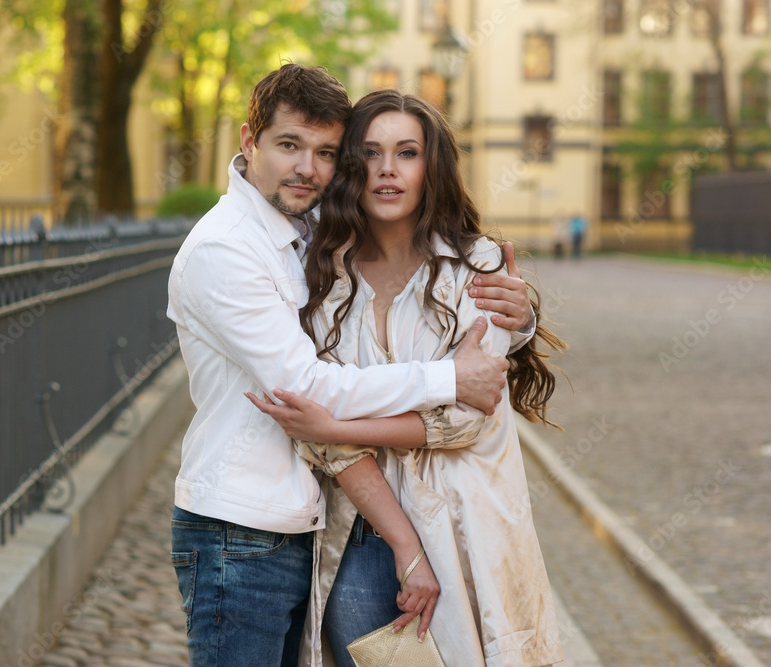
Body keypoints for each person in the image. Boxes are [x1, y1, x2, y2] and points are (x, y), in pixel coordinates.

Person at [166, 65, 534, 667]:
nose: (307, 167)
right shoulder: (236, 251)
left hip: (368, 524)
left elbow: (470, 403)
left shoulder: (311, 235)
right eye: (289, 145)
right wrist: (449, 380)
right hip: (251, 528)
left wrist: (521, 320)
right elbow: (309, 389)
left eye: (326, 153)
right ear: (249, 141)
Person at [249, 90, 566, 666]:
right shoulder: (321, 277)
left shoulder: (478, 269)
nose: (388, 169)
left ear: (431, 166)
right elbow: (315, 419)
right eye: (370, 153)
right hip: (362, 529)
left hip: (467, 526)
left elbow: (465, 418)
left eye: (407, 152)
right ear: (350, 166)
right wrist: (330, 431)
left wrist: (335, 424)